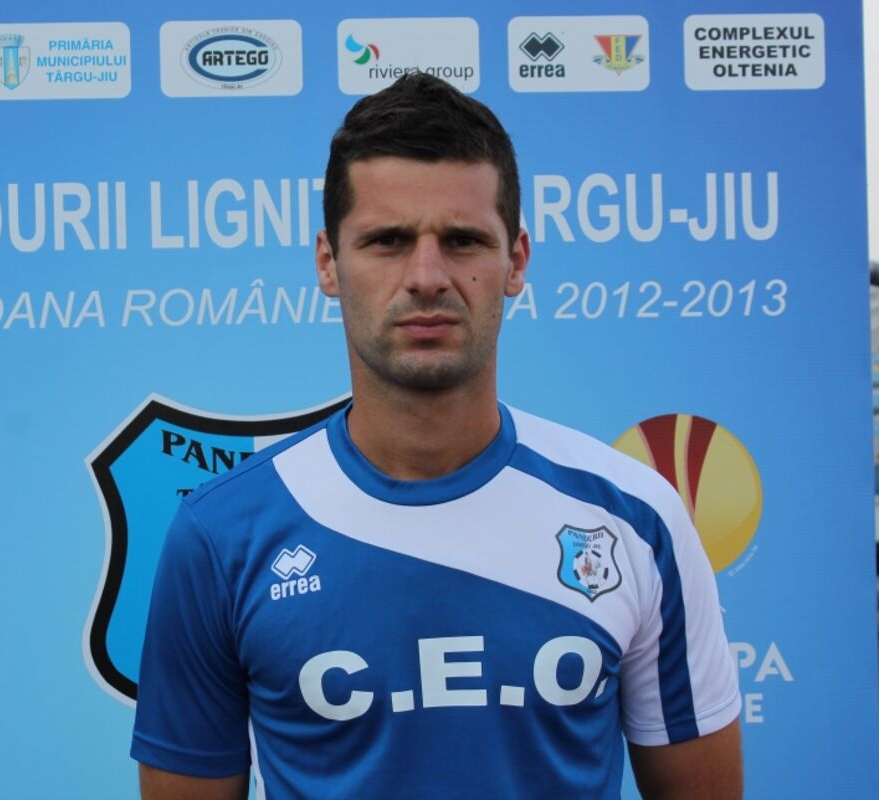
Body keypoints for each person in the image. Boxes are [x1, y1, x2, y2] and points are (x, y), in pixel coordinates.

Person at [131, 72, 742, 799]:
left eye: (462, 241)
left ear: (516, 261)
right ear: (328, 263)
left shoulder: (636, 519)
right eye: (387, 241)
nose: (427, 276)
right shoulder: (223, 535)